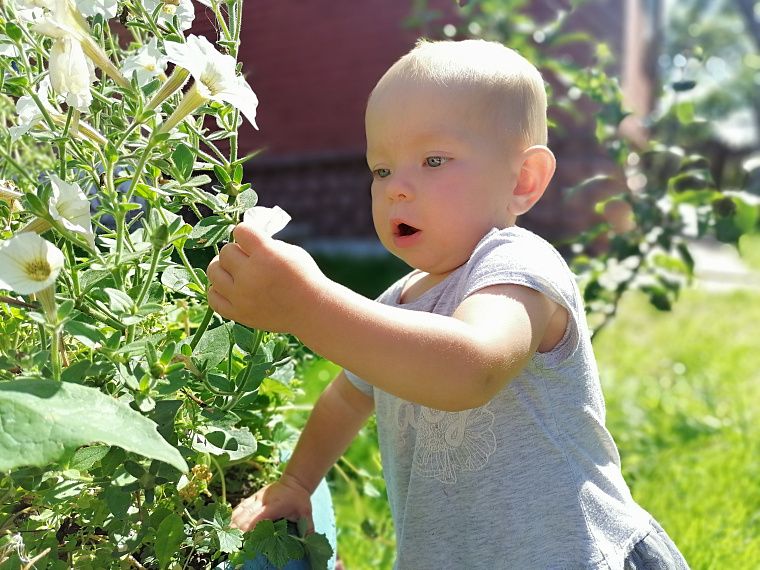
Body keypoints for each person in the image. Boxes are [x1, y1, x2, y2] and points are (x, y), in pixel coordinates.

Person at [206, 39, 689, 569]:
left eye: (433, 160)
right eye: (381, 170)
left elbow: (468, 369)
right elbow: (345, 401)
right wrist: (295, 483)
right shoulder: (402, 300)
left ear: (523, 180)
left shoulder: (521, 267)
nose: (397, 190)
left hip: (574, 554)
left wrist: (306, 306)